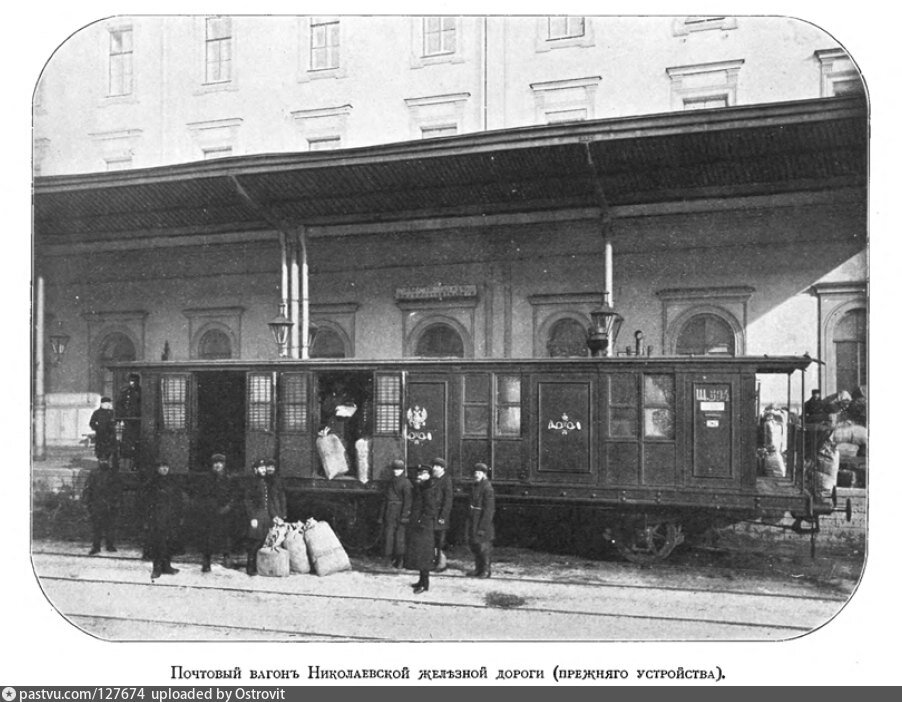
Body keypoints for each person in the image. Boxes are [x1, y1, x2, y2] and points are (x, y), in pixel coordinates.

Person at [243, 458, 286, 576]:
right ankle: (249, 568)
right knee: (254, 541)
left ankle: (256, 566)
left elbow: (268, 502)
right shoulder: (252, 483)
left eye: (264, 468)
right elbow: (248, 501)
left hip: (265, 516)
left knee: (262, 540)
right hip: (257, 516)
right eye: (261, 468)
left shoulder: (264, 482)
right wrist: (252, 518)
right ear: (255, 470)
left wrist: (275, 516)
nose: (264, 470)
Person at [195, 453, 234, 573]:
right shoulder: (206, 479)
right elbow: (201, 495)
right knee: (208, 537)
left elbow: (234, 495)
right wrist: (208, 507)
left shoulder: (229, 478)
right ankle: (206, 561)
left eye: (220, 463)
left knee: (225, 535)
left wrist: (228, 507)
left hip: (225, 511)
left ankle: (226, 557)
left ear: (224, 465)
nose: (217, 465)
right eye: (215, 463)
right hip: (210, 512)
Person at [147, 462, 186, 580]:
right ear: (157, 468)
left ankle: (167, 566)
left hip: (171, 518)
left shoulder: (173, 482)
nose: (164, 469)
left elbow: (179, 500)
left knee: (169, 542)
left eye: (166, 467)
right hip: (157, 518)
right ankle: (157, 568)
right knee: (158, 543)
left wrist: (179, 516)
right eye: (161, 467)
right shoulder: (152, 483)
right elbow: (146, 502)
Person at [404, 466, 438, 594]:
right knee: (420, 555)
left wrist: (421, 522)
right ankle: (421, 581)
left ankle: (425, 584)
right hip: (420, 526)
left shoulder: (428, 489)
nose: (420, 475)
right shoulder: (422, 487)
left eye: (423, 473)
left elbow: (430, 510)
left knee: (424, 555)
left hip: (424, 527)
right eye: (419, 473)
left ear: (429, 475)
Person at [82, 457, 121, 555]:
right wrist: (87, 502)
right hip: (97, 504)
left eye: (106, 460)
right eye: (102, 460)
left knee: (110, 526)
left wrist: (115, 502)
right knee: (96, 527)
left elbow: (118, 490)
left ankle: (110, 545)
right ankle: (96, 547)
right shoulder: (94, 474)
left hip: (110, 504)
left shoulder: (113, 474)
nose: (104, 462)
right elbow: (88, 488)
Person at [380, 459, 412, 568]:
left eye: (398, 469)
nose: (395, 471)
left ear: (402, 470)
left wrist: (405, 515)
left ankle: (400, 560)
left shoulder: (406, 483)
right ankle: (388, 558)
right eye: (394, 469)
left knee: (400, 537)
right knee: (389, 536)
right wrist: (381, 515)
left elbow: (408, 501)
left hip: (399, 512)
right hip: (390, 512)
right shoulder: (390, 482)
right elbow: (385, 499)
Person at [466, 463, 495, 578]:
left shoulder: (487, 488)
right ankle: (478, 569)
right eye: (475, 473)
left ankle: (486, 571)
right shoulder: (475, 486)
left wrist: (483, 527)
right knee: (475, 546)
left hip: (482, 522)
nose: (476, 475)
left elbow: (489, 510)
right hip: (474, 520)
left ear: (484, 474)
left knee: (484, 547)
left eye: (479, 473)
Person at [431, 457, 453, 572]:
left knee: (440, 541)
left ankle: (441, 563)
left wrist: (443, 517)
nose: (434, 468)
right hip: (433, 516)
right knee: (434, 540)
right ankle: (435, 561)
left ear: (442, 468)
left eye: (437, 466)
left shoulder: (446, 480)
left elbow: (448, 501)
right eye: (434, 466)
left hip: (440, 517)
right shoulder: (434, 479)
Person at [116, 374, 142, 471]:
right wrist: (120, 417)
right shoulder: (125, 392)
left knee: (138, 442)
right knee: (127, 442)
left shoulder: (142, 392)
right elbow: (119, 405)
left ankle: (137, 463)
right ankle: (127, 464)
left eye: (134, 381)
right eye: (131, 381)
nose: (132, 383)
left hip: (139, 421)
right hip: (128, 421)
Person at [89, 396, 117, 463]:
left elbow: (116, 421)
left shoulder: (112, 413)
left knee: (110, 449)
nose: (108, 405)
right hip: (101, 434)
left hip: (111, 434)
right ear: (102, 404)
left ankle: (108, 463)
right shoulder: (97, 412)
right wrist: (97, 428)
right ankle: (101, 463)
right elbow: (92, 422)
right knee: (101, 450)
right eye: (107, 403)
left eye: (109, 403)